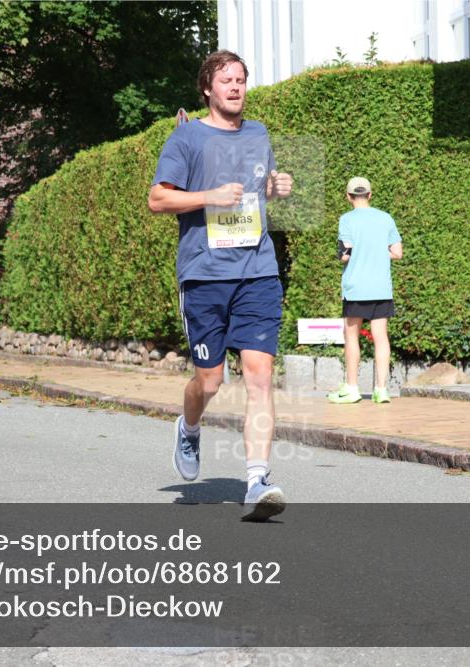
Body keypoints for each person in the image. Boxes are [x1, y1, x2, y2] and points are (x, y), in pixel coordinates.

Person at [148, 50, 293, 521]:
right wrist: (208, 196)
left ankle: (257, 481)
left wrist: (275, 188)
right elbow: (158, 199)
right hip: (205, 274)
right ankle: (189, 427)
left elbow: (257, 188)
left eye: (241, 80)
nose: (235, 87)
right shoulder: (187, 137)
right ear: (207, 89)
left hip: (257, 270)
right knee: (209, 380)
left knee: (259, 374)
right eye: (226, 79)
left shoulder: (258, 134)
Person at [328, 177, 402, 405]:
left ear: (348, 196)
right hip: (381, 288)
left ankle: (352, 388)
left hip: (356, 288)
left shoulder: (346, 220)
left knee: (351, 336)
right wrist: (378, 252)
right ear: (370, 195)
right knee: (381, 337)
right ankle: (381, 390)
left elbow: (344, 255)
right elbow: (397, 252)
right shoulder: (386, 218)